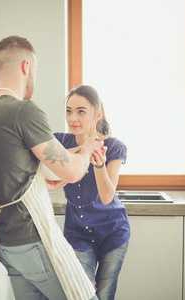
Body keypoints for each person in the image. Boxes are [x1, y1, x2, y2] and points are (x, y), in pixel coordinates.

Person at [0, 35, 103, 300]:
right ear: (26, 67)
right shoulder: (24, 111)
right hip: (31, 239)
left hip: (4, 242)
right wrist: (85, 151)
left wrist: (38, 180)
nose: (34, 76)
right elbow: (71, 171)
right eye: (35, 70)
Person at [54, 85, 130, 300]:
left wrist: (99, 165)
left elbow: (107, 197)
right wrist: (84, 148)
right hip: (77, 233)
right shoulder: (59, 142)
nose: (73, 118)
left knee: (104, 294)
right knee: (81, 291)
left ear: (97, 115)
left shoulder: (114, 147)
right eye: (69, 111)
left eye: (81, 111)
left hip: (112, 232)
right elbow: (41, 160)